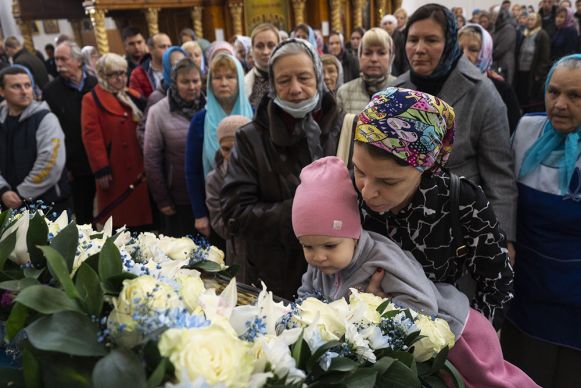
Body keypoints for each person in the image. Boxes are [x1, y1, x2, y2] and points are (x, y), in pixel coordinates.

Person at [294, 155, 537, 387]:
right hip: (412, 347)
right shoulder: (325, 259)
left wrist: (373, 311)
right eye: (307, 247)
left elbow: (425, 304)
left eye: (329, 246)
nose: (318, 256)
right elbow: (307, 294)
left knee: (492, 383)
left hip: (457, 334)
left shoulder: (381, 257)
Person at [354, 87, 514, 330]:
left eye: (388, 182)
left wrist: (460, 339)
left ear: (425, 169)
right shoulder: (344, 193)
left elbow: (497, 284)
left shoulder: (462, 202)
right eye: (359, 171)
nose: (367, 192)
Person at [391, 3, 518, 265]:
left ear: (449, 43)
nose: (419, 48)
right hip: (402, 235)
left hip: (459, 233)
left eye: (431, 40)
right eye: (413, 39)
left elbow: (499, 178)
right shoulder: (396, 91)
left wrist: (499, 239)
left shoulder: (482, 94)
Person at [220, 39, 344, 299]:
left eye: (304, 77)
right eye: (284, 80)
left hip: (342, 272)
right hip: (278, 275)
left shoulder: (342, 127)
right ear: (273, 86)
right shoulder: (251, 138)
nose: (296, 88)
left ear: (319, 77)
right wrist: (299, 212)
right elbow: (235, 212)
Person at [501, 54, 581, 387]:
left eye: (575, 96)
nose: (560, 104)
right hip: (527, 288)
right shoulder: (526, 131)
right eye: (553, 92)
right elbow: (504, 194)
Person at [81, 53, 152, 230]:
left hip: (138, 164)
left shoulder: (131, 95)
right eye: (114, 74)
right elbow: (91, 136)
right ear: (103, 76)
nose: (121, 78)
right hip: (115, 168)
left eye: (123, 73)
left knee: (141, 219)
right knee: (120, 220)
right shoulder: (91, 99)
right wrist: (101, 168)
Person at [185, 53, 252, 238]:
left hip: (252, 208)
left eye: (230, 77)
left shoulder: (253, 116)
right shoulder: (201, 120)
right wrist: (200, 214)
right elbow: (193, 171)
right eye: (217, 77)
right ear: (209, 82)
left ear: (239, 80)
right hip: (215, 206)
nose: (223, 83)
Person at [144, 58, 204, 237]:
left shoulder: (209, 106)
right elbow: (151, 159)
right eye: (185, 82)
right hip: (178, 198)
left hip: (206, 196)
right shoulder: (158, 112)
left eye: (196, 81)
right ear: (175, 83)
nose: (192, 87)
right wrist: (162, 199)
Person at [0, 66, 70, 213]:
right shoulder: (2, 120)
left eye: (27, 85)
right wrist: (3, 190)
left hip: (47, 204)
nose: (25, 91)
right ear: (2, 91)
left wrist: (20, 193)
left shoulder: (45, 119)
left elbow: (50, 163)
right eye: (16, 87)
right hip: (7, 203)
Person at [43, 41, 98, 225]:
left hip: (100, 161)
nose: (58, 63)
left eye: (63, 59)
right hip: (75, 165)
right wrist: (65, 166)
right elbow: (52, 134)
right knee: (83, 215)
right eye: (56, 59)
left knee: (109, 213)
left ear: (78, 61)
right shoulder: (51, 91)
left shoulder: (95, 83)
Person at [205, 115, 251, 281]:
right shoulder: (215, 179)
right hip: (237, 252)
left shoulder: (265, 172)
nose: (232, 155)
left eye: (238, 147)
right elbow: (219, 223)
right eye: (226, 149)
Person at [459, 24, 522, 133]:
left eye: (473, 50)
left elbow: (513, 129)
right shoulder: (447, 82)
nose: (464, 55)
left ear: (486, 52)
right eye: (459, 49)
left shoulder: (500, 88)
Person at [136, 46, 186, 149]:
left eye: (183, 64)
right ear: (167, 67)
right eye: (175, 65)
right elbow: (143, 130)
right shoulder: (157, 97)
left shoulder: (192, 91)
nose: (181, 70)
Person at [336, 28, 395, 114]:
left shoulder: (402, 90)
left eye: (381, 53)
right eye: (367, 53)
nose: (374, 59)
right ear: (360, 56)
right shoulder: (344, 92)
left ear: (390, 57)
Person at [515, 12, 551, 112]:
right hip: (521, 69)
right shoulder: (525, 33)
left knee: (529, 95)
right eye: (529, 19)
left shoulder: (542, 34)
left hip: (532, 72)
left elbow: (544, 57)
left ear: (538, 21)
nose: (529, 21)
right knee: (521, 93)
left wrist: (539, 73)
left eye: (532, 19)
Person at [245, 23, 280, 109]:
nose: (265, 52)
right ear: (252, 49)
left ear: (279, 46)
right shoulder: (244, 84)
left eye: (271, 45)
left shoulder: (289, 78)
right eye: (259, 46)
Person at [130, 33, 171, 98]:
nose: (167, 50)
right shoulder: (137, 74)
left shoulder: (177, 68)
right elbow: (138, 100)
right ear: (150, 49)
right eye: (162, 47)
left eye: (169, 46)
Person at [493, 8, 517, 84]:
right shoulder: (498, 28)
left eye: (495, 15)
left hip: (504, 64)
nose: (493, 17)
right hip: (497, 63)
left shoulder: (508, 28)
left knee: (504, 87)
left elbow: (501, 49)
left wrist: (490, 55)